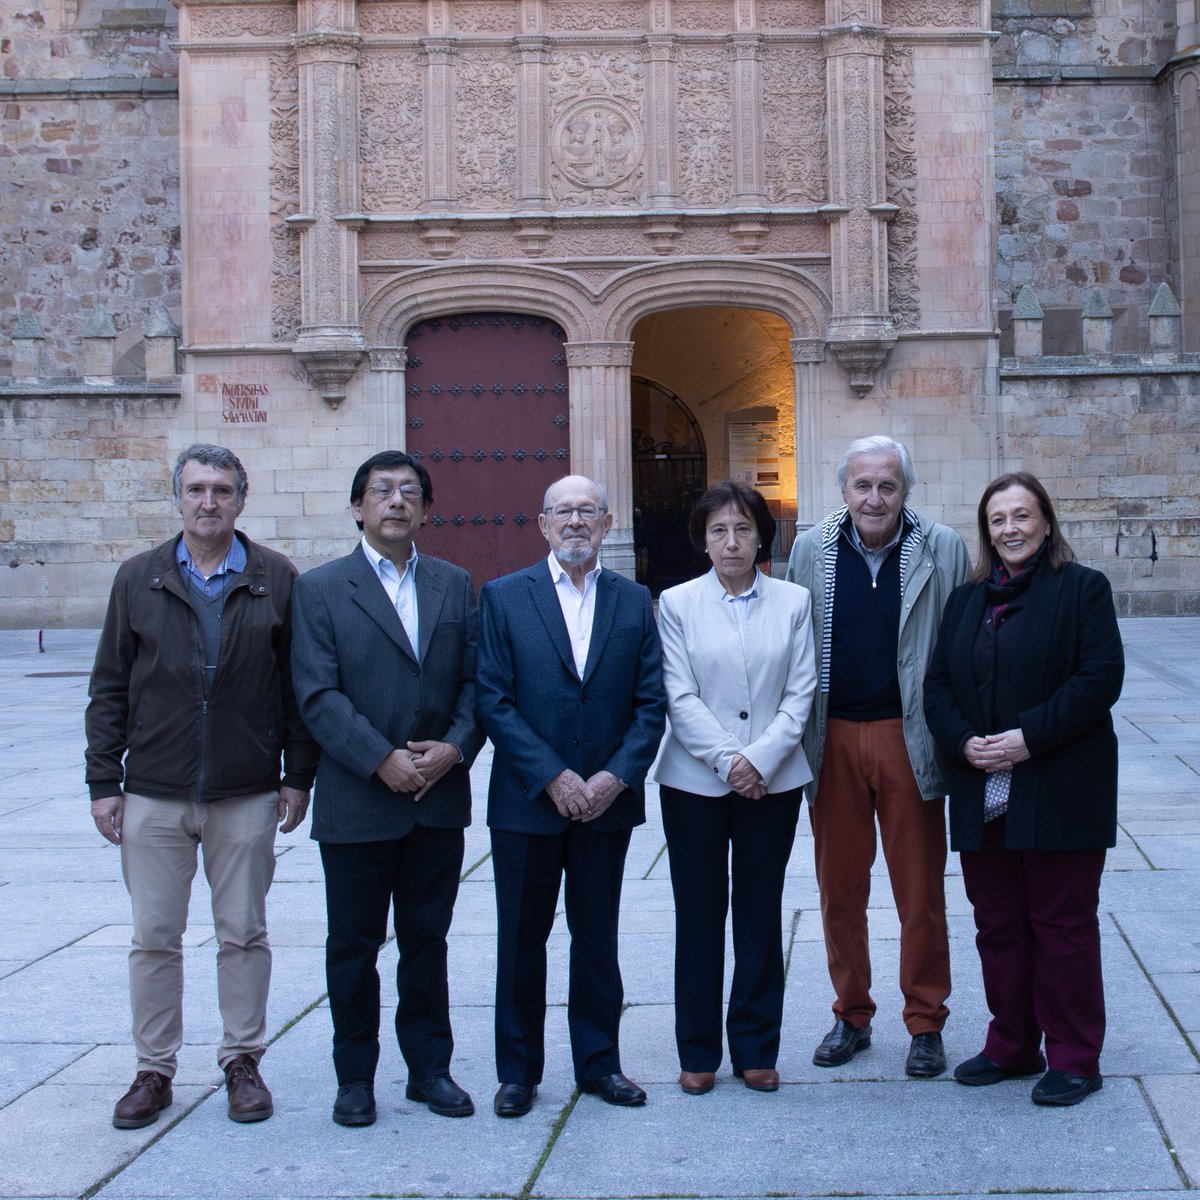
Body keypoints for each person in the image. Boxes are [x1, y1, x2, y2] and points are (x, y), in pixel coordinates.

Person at [85, 443, 317, 1129]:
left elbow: (295, 689)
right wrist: (105, 779)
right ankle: (153, 1070)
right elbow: (109, 687)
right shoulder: (139, 578)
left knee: (243, 931)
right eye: (196, 489)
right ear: (177, 497)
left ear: (241, 499)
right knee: (154, 935)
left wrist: (296, 776)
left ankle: (241, 1060)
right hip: (154, 791)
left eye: (221, 489)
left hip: (245, 791)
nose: (208, 501)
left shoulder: (277, 578)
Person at [290, 451, 485, 1127]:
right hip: (357, 802)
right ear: (357, 509)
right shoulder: (318, 590)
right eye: (382, 491)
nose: (396, 501)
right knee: (353, 947)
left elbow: (474, 685)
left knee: (427, 943)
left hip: (437, 802)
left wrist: (455, 748)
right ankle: (354, 1077)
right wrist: (380, 760)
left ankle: (430, 1069)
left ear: (426, 510)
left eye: (410, 492)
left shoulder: (455, 585)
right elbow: (316, 694)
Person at [924, 471, 1124, 1106]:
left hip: (1059, 782)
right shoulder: (967, 600)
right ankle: (1011, 1042)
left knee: (1061, 923)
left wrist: (1026, 738)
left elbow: (1099, 680)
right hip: (982, 787)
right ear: (987, 532)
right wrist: (964, 742)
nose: (1010, 529)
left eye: (1022, 516)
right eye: (997, 520)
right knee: (998, 924)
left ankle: (1074, 1056)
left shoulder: (1083, 589)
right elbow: (937, 687)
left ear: (1046, 521)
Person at [476, 475, 666, 1117]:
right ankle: (518, 1072)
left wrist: (616, 777)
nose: (576, 521)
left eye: (588, 511)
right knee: (520, 940)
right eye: (564, 511)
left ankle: (599, 1065)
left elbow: (650, 703)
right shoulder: (503, 597)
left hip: (606, 802)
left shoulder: (636, 601)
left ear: (608, 523)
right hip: (528, 801)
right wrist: (553, 775)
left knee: (597, 938)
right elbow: (493, 700)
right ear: (542, 523)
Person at [786, 435, 969, 1078]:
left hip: (907, 734)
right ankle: (851, 1013)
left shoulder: (941, 546)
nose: (874, 497)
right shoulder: (812, 549)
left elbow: (959, 640)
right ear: (843, 491)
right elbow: (793, 641)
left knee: (919, 890)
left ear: (905, 491)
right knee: (839, 889)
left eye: (886, 485)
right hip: (832, 735)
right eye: (862, 485)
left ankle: (925, 1022)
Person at [655, 481, 816, 1095]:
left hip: (772, 784)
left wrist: (763, 759)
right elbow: (679, 694)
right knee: (698, 914)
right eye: (719, 530)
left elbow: (802, 691)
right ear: (702, 539)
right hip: (695, 781)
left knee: (758, 912)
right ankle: (697, 1050)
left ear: (761, 538)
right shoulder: (675, 603)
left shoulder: (794, 602)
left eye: (743, 529)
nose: (731, 541)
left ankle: (755, 1047)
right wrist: (729, 762)